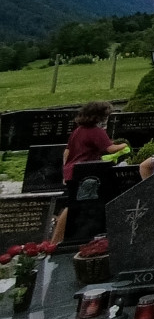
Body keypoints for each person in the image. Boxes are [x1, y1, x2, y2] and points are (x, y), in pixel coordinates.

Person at [53, 101, 129, 243]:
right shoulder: (96, 131)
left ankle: (58, 239)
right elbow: (110, 149)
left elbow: (67, 152)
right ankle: (56, 240)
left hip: (72, 170)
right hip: (86, 173)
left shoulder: (78, 130)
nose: (106, 119)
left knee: (72, 204)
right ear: (98, 116)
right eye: (105, 116)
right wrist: (124, 144)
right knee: (73, 206)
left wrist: (65, 170)